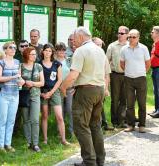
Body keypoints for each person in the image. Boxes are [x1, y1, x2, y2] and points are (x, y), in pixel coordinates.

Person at [61, 26, 108, 166]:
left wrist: (63, 87)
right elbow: (103, 73)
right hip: (99, 90)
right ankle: (100, 160)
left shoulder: (81, 51)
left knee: (81, 126)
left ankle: (89, 162)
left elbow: (74, 75)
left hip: (86, 92)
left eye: (74, 38)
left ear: (81, 36)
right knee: (95, 125)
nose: (72, 41)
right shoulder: (100, 50)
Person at [0, 41, 25, 152]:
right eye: (11, 47)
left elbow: (19, 78)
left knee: (11, 120)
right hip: (3, 94)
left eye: (14, 48)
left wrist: (21, 81)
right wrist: (13, 77)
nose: (13, 49)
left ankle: (8, 144)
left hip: (15, 94)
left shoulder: (18, 62)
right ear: (5, 49)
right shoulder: (1, 63)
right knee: (2, 120)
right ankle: (0, 145)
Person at [120, 29, 150, 133]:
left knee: (142, 103)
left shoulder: (144, 48)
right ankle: (131, 125)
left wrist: (141, 72)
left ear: (138, 37)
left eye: (133, 37)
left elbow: (148, 63)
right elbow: (122, 63)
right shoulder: (124, 49)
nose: (131, 39)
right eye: (129, 37)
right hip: (128, 79)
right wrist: (129, 72)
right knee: (130, 104)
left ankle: (142, 125)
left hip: (141, 78)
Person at [40, 43, 69, 145]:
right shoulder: (39, 64)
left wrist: (51, 92)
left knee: (59, 116)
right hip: (43, 92)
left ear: (52, 52)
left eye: (49, 51)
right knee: (44, 116)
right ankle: (45, 139)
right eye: (46, 50)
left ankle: (63, 140)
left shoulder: (57, 64)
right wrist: (42, 94)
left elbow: (60, 79)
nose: (47, 53)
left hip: (54, 91)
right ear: (43, 51)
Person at [21, 47, 44, 152]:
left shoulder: (38, 66)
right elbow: (18, 79)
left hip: (35, 95)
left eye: (35, 54)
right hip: (24, 96)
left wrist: (33, 83)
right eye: (32, 54)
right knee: (26, 120)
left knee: (35, 120)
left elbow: (42, 83)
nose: (34, 56)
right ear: (26, 55)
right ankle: (28, 142)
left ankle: (35, 143)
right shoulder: (21, 66)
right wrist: (24, 82)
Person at [106, 26, 129, 128]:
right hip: (115, 75)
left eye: (122, 33)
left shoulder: (130, 46)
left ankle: (122, 120)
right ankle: (114, 121)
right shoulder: (112, 46)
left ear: (127, 35)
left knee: (124, 99)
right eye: (118, 33)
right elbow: (106, 61)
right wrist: (106, 76)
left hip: (127, 75)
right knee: (115, 99)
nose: (119, 35)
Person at [92, 37, 113, 131]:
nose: (99, 47)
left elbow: (107, 74)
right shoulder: (88, 55)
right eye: (97, 44)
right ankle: (100, 125)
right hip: (90, 87)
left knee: (99, 107)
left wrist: (106, 88)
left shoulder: (104, 57)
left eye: (100, 45)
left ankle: (101, 125)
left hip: (101, 86)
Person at [55, 42, 74, 137]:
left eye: (63, 50)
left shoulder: (69, 61)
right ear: (56, 51)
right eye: (59, 50)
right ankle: (60, 132)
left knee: (70, 109)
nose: (61, 52)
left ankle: (72, 131)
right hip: (58, 89)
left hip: (69, 88)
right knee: (60, 111)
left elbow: (73, 74)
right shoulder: (53, 61)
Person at [13, 39, 29, 135]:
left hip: (28, 88)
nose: (24, 48)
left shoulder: (32, 56)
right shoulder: (15, 58)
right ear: (18, 48)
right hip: (16, 88)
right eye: (22, 46)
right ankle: (15, 132)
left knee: (27, 112)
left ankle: (27, 133)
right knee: (16, 111)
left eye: (26, 45)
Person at [149, 26, 159, 119]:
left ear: (157, 33)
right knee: (155, 91)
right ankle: (156, 109)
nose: (151, 33)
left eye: (152, 32)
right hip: (154, 69)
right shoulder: (154, 44)